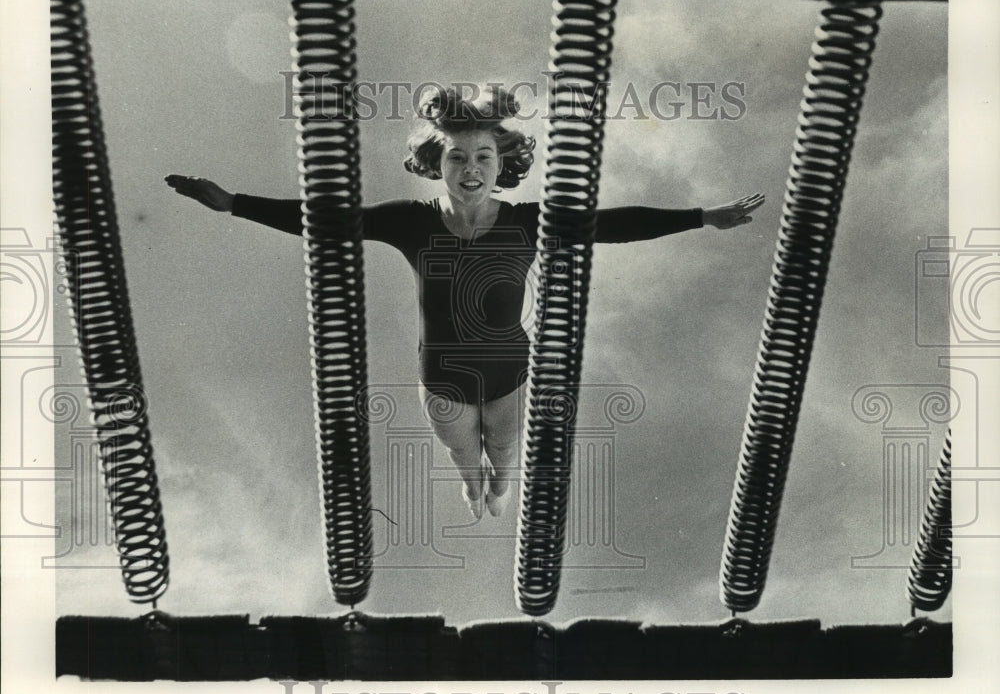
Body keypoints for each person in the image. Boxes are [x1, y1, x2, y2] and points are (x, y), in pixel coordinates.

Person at [166, 84, 763, 520]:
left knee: (504, 454)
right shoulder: (411, 221)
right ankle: (473, 485)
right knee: (464, 455)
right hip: (444, 381)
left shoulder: (532, 221)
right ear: (437, 164)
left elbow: (612, 223)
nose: (470, 168)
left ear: (502, 166)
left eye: (483, 157)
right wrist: (234, 203)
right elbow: (324, 221)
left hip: (507, 376)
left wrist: (702, 217)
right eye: (457, 156)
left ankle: (496, 488)